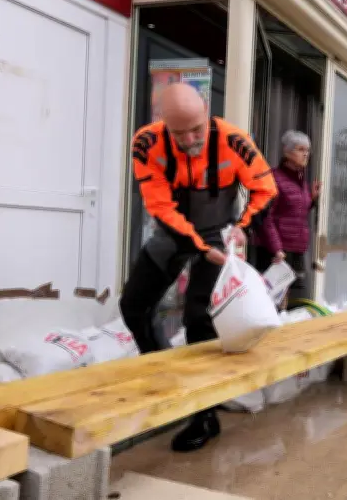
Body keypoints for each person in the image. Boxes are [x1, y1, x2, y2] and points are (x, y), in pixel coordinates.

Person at [119, 83, 277, 453]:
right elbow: (159, 206)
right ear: (163, 122)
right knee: (134, 305)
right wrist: (198, 247)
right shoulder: (146, 143)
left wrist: (243, 227)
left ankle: (204, 415)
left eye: (196, 129)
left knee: (199, 320)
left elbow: (265, 189)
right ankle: (168, 379)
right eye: (179, 133)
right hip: (173, 232)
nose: (189, 140)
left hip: (219, 233)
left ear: (207, 111)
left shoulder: (234, 141)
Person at [254, 131, 322, 308]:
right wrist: (276, 249)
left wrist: (312, 200)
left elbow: (293, 212)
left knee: (292, 301)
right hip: (275, 251)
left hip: (295, 249)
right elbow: (266, 217)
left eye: (307, 150)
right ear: (287, 152)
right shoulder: (274, 178)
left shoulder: (301, 181)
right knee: (272, 300)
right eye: (300, 149)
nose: (306, 154)